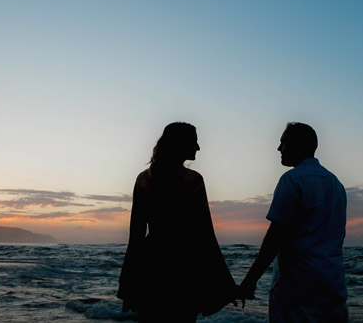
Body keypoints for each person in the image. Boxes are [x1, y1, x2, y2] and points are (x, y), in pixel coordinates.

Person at [117, 122, 237, 322]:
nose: (198, 148)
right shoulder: (193, 180)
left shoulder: (144, 180)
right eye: (194, 143)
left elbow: (136, 237)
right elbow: (206, 235)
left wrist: (127, 286)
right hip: (183, 271)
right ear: (180, 145)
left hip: (150, 271)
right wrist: (225, 285)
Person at [239, 122, 348, 322]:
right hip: (333, 286)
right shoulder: (336, 183)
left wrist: (249, 281)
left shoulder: (292, 180)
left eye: (283, 143)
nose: (279, 149)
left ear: (298, 145)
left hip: (298, 288)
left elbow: (275, 236)